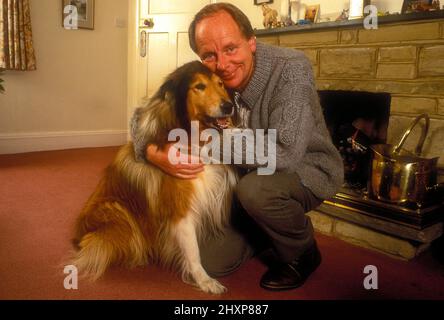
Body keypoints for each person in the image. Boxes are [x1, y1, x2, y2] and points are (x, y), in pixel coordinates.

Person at [132, 3, 343, 291]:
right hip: (245, 174)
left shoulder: (292, 68)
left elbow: (285, 152)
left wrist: (203, 143)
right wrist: (152, 151)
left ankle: (303, 251)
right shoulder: (209, 76)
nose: (222, 63)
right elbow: (144, 114)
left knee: (255, 190)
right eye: (209, 55)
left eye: (231, 48)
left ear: (252, 41)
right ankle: (264, 229)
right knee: (212, 261)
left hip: (304, 168)